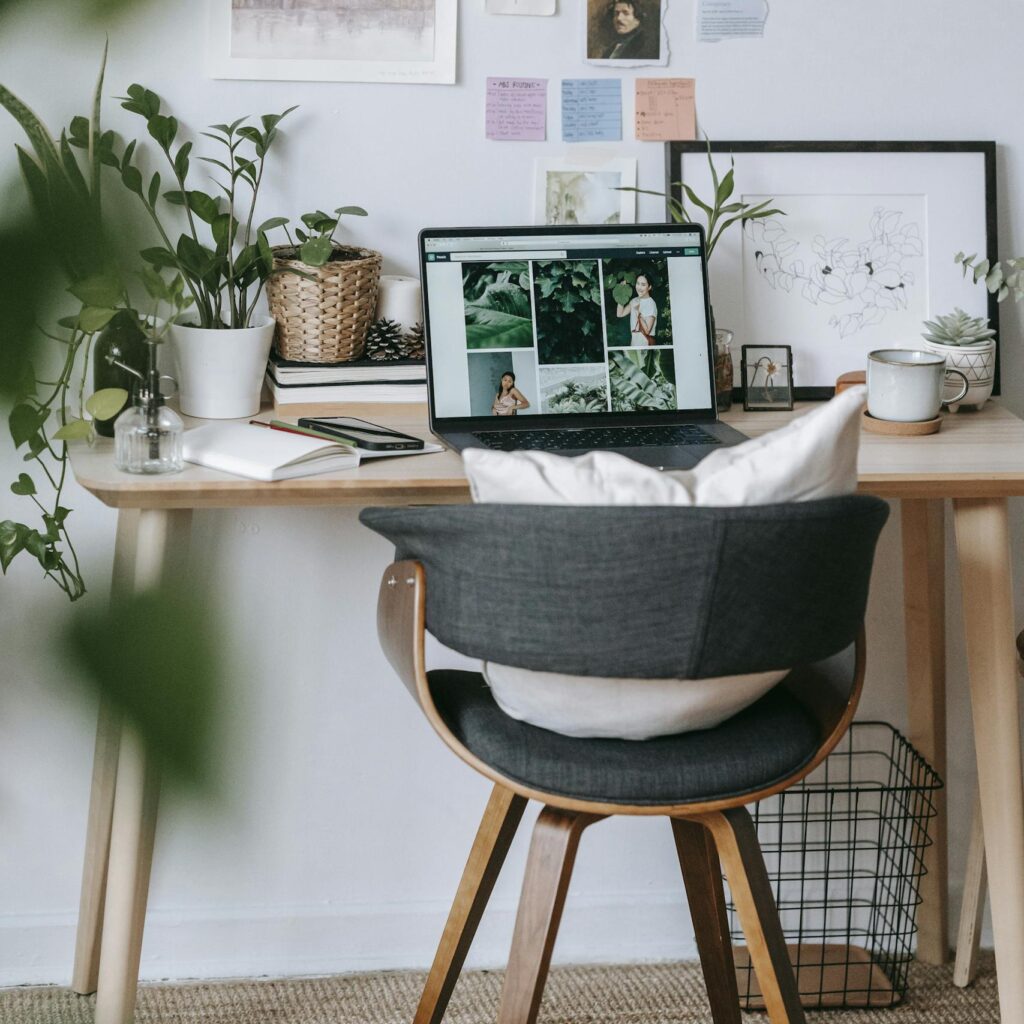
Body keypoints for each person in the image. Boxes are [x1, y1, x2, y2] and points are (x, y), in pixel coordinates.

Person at [616, 274, 658, 346]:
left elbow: (647, 331)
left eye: (643, 285)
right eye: (638, 283)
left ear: (649, 287)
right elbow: (620, 314)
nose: (639, 287)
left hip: (645, 343)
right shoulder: (634, 300)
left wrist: (638, 312)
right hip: (634, 342)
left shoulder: (651, 304)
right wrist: (621, 293)